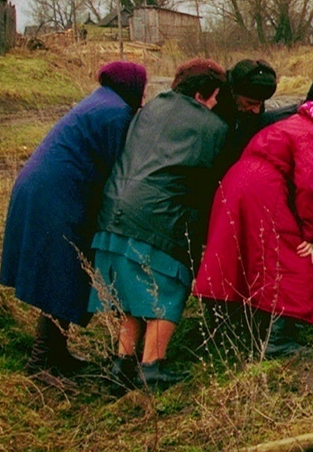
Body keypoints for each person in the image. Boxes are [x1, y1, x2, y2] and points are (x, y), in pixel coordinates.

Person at [88, 59, 229, 388]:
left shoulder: (149, 109)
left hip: (114, 209)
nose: (215, 105)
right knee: (168, 287)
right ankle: (152, 366)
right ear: (200, 95)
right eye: (214, 98)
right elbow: (210, 178)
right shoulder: (212, 127)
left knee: (130, 293)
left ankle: (121, 364)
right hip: (157, 217)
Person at [0, 61, 147, 375]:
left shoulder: (100, 101)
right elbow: (116, 170)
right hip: (55, 194)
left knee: (63, 273)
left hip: (42, 187)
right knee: (62, 274)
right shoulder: (116, 113)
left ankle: (55, 353)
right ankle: (41, 363)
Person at [194, 93, 313, 357]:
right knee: (288, 257)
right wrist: (308, 233)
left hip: (233, 183)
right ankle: (277, 340)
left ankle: (224, 330)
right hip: (262, 189)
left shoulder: (283, 125)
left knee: (233, 254)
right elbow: (309, 185)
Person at [214, 59, 278, 167]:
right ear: (235, 93)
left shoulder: (253, 98)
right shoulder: (214, 102)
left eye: (261, 103)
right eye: (250, 103)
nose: (256, 110)